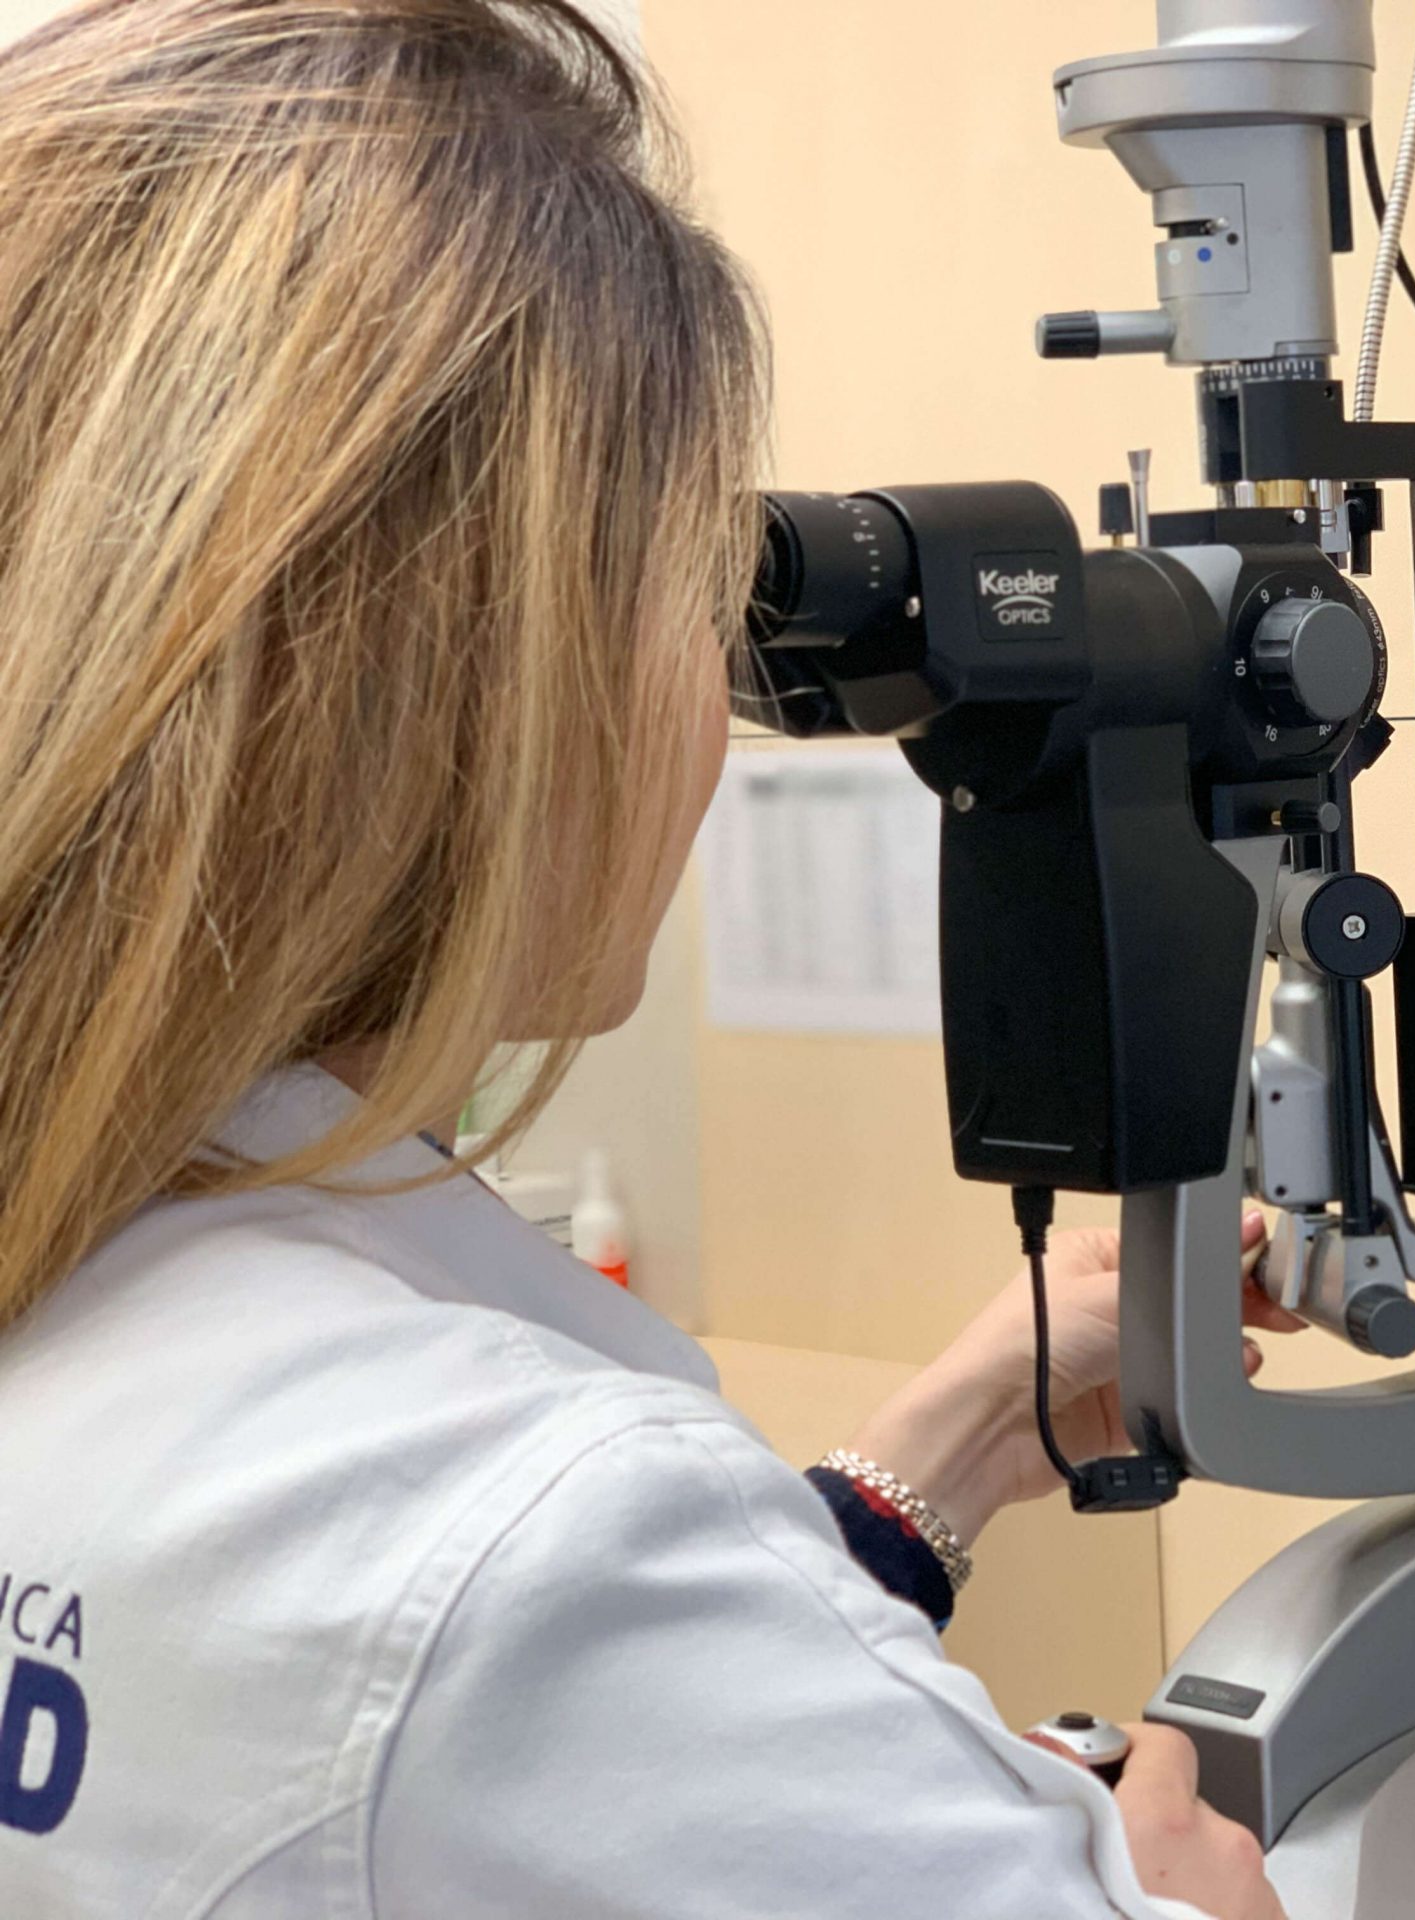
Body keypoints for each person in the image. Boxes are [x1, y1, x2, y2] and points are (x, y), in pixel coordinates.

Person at [0, 3, 1296, 1915]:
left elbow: (469, 1758)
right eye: (692, 592)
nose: (719, 698)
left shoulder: (156, 1306)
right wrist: (1182, 1894)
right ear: (473, 684)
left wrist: (941, 1450)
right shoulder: (516, 1537)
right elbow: (510, 1653)